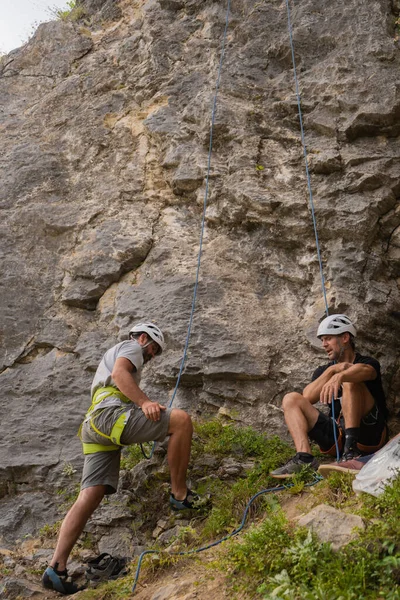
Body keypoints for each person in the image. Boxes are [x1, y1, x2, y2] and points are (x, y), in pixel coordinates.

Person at [42, 322, 201, 595]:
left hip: (94, 427)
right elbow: (119, 374)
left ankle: (55, 567)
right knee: (182, 421)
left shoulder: (117, 352)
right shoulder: (131, 346)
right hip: (109, 416)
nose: (152, 355)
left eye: (155, 353)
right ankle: (179, 495)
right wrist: (145, 403)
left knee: (90, 494)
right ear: (142, 338)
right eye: (153, 349)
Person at [270, 314, 388, 479]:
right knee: (291, 399)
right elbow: (307, 397)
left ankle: (351, 451)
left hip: (369, 435)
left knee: (350, 381)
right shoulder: (324, 371)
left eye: (328, 339)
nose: (324, 345)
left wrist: (341, 376)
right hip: (338, 435)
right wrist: (332, 371)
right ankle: (305, 458)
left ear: (345, 337)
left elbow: (366, 371)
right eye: (322, 340)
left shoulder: (368, 362)